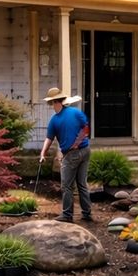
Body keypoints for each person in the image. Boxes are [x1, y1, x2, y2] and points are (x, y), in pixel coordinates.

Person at [39, 87, 92, 222]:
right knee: (82, 184)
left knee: (66, 186)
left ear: (54, 102)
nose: (50, 105)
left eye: (51, 103)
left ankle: (67, 215)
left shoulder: (55, 120)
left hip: (72, 155)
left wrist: (43, 153)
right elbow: (86, 128)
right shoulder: (76, 112)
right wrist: (43, 152)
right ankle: (87, 213)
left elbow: (49, 139)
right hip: (85, 151)